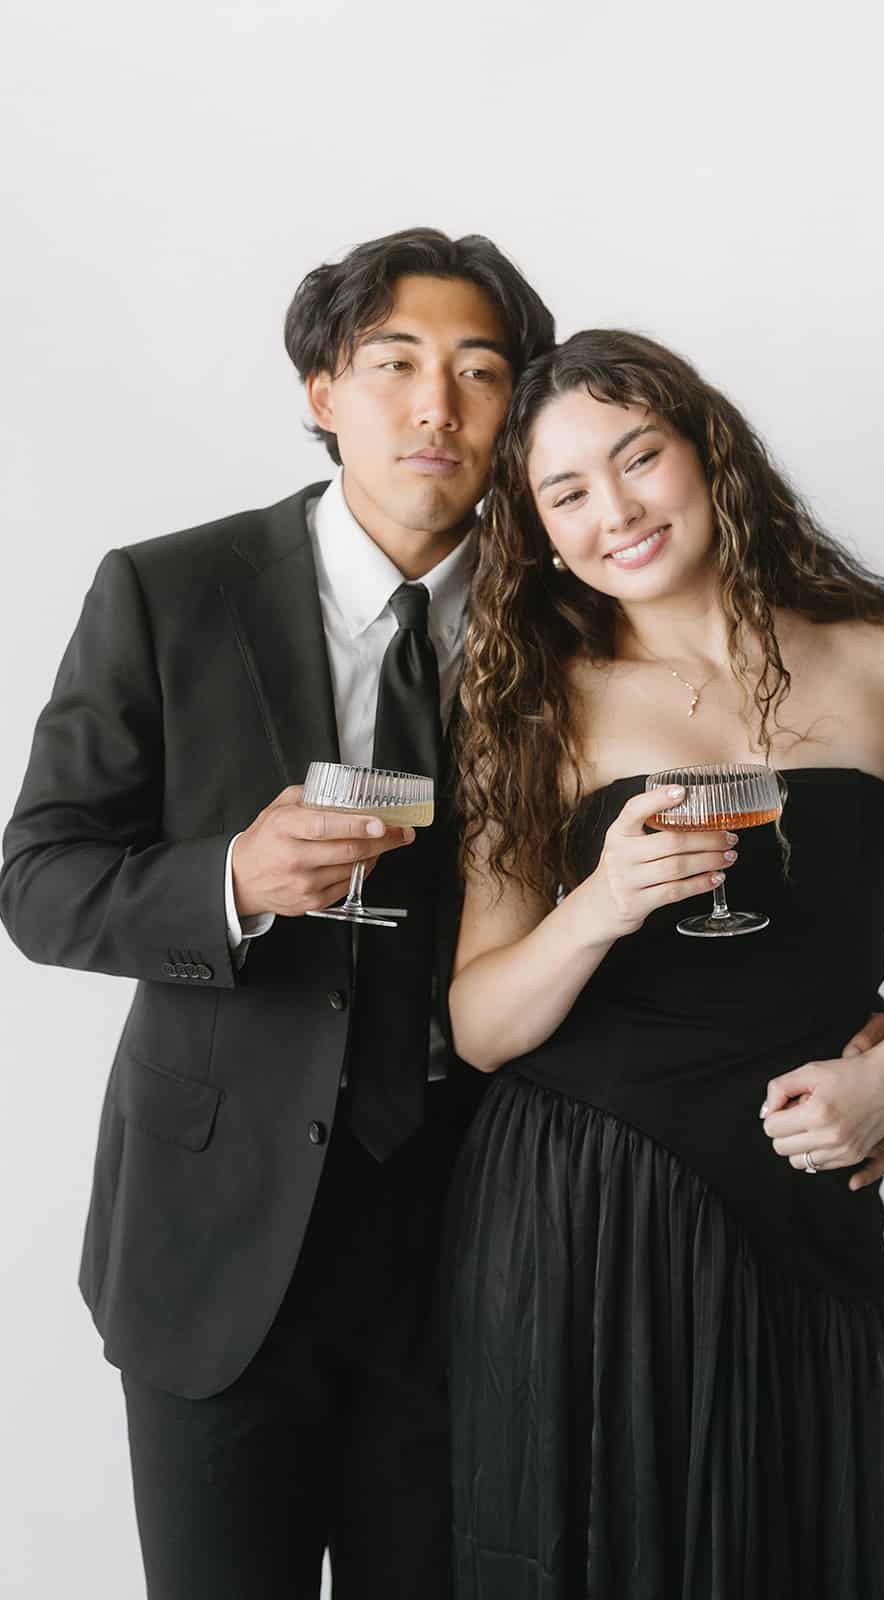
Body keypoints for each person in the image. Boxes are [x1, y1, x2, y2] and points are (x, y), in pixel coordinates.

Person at [0, 227, 556, 1600]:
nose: (436, 407)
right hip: (212, 1226)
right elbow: (40, 879)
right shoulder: (168, 590)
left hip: (472, 1233)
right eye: (394, 364)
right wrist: (229, 882)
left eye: (480, 372)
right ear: (321, 390)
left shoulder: (567, 617)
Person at [446, 330, 884, 1597]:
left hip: (811, 1184)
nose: (614, 510)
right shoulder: (534, 697)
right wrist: (597, 905)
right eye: (565, 492)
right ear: (538, 533)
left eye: (637, 457)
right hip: (592, 1206)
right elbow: (478, 1022)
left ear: (708, 451)